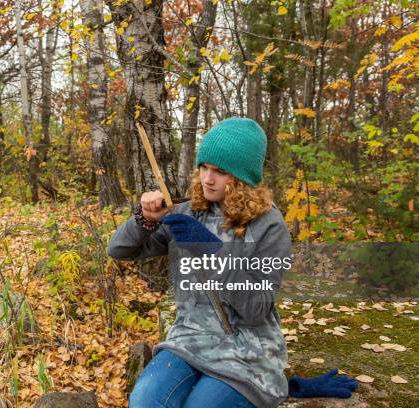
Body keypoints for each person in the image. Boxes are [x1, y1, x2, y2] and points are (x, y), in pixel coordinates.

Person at [108, 117, 291, 408]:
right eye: (204, 167)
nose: (207, 178)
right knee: (145, 400)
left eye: (220, 172)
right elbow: (118, 250)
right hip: (189, 340)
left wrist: (211, 251)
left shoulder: (269, 226)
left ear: (242, 178)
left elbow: (256, 310)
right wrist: (144, 219)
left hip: (246, 350)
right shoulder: (190, 213)